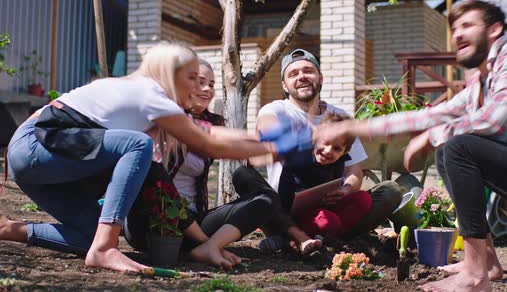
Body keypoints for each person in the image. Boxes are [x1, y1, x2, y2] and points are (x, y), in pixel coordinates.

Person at [314, 0, 507, 292]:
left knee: (457, 146)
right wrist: (351, 126)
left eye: (468, 25)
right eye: (454, 28)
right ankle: (486, 263)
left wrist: (431, 136)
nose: (457, 34)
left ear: (494, 30)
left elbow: (492, 120)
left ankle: (474, 276)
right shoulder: (479, 85)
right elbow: (428, 116)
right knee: (448, 150)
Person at [1, 43, 309, 273]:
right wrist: (278, 145)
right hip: (36, 147)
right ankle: (106, 247)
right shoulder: (150, 94)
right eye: (191, 78)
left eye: (205, 82)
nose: (198, 87)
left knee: (86, 236)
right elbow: (210, 144)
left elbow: (213, 134)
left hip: (42, 162)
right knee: (137, 145)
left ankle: (8, 229)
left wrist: (277, 141)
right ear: (170, 75)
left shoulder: (147, 99)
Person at [232, 48, 402, 254]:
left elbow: (354, 172)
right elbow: (268, 131)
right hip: (283, 208)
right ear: (285, 85)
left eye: (308, 71)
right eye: (293, 74)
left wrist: (345, 190)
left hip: (329, 207)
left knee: (389, 192)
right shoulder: (275, 110)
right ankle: (299, 234)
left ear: (320, 78)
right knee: (243, 176)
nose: (302, 76)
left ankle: (308, 239)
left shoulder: (340, 117)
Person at [124, 58, 280, 270]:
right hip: (151, 223)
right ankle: (207, 246)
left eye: (212, 84)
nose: (207, 89)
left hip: (195, 225)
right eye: (199, 82)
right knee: (159, 183)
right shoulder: (158, 120)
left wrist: (265, 150)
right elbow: (159, 189)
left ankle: (207, 247)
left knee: (266, 199)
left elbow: (237, 149)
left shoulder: (213, 123)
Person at [278, 112, 373, 239]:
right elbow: (288, 200)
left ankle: (334, 235)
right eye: (325, 143)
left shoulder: (340, 161)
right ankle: (315, 235)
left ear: (346, 151)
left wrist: (343, 191)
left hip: (327, 209)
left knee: (363, 198)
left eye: (337, 149)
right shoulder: (300, 158)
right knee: (329, 221)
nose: (328, 151)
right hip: (299, 216)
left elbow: (345, 185)